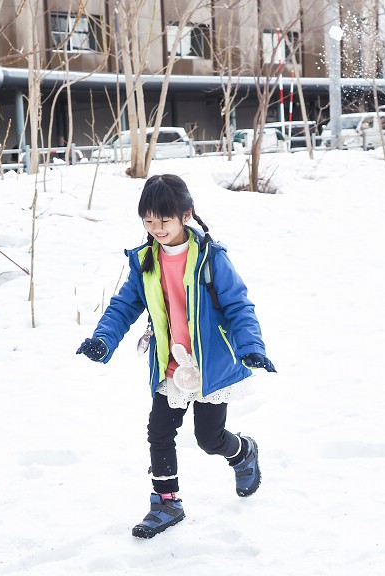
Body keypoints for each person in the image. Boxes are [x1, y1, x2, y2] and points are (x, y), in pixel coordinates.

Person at [76, 174, 276, 539]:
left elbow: (239, 306)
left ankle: (243, 453)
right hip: (170, 363)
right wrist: (103, 339)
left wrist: (251, 348)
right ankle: (166, 502)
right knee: (159, 430)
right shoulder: (146, 261)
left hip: (210, 366)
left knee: (209, 438)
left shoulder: (211, 258)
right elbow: (124, 305)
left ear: (186, 215)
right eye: (148, 221)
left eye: (163, 220)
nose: (156, 229)